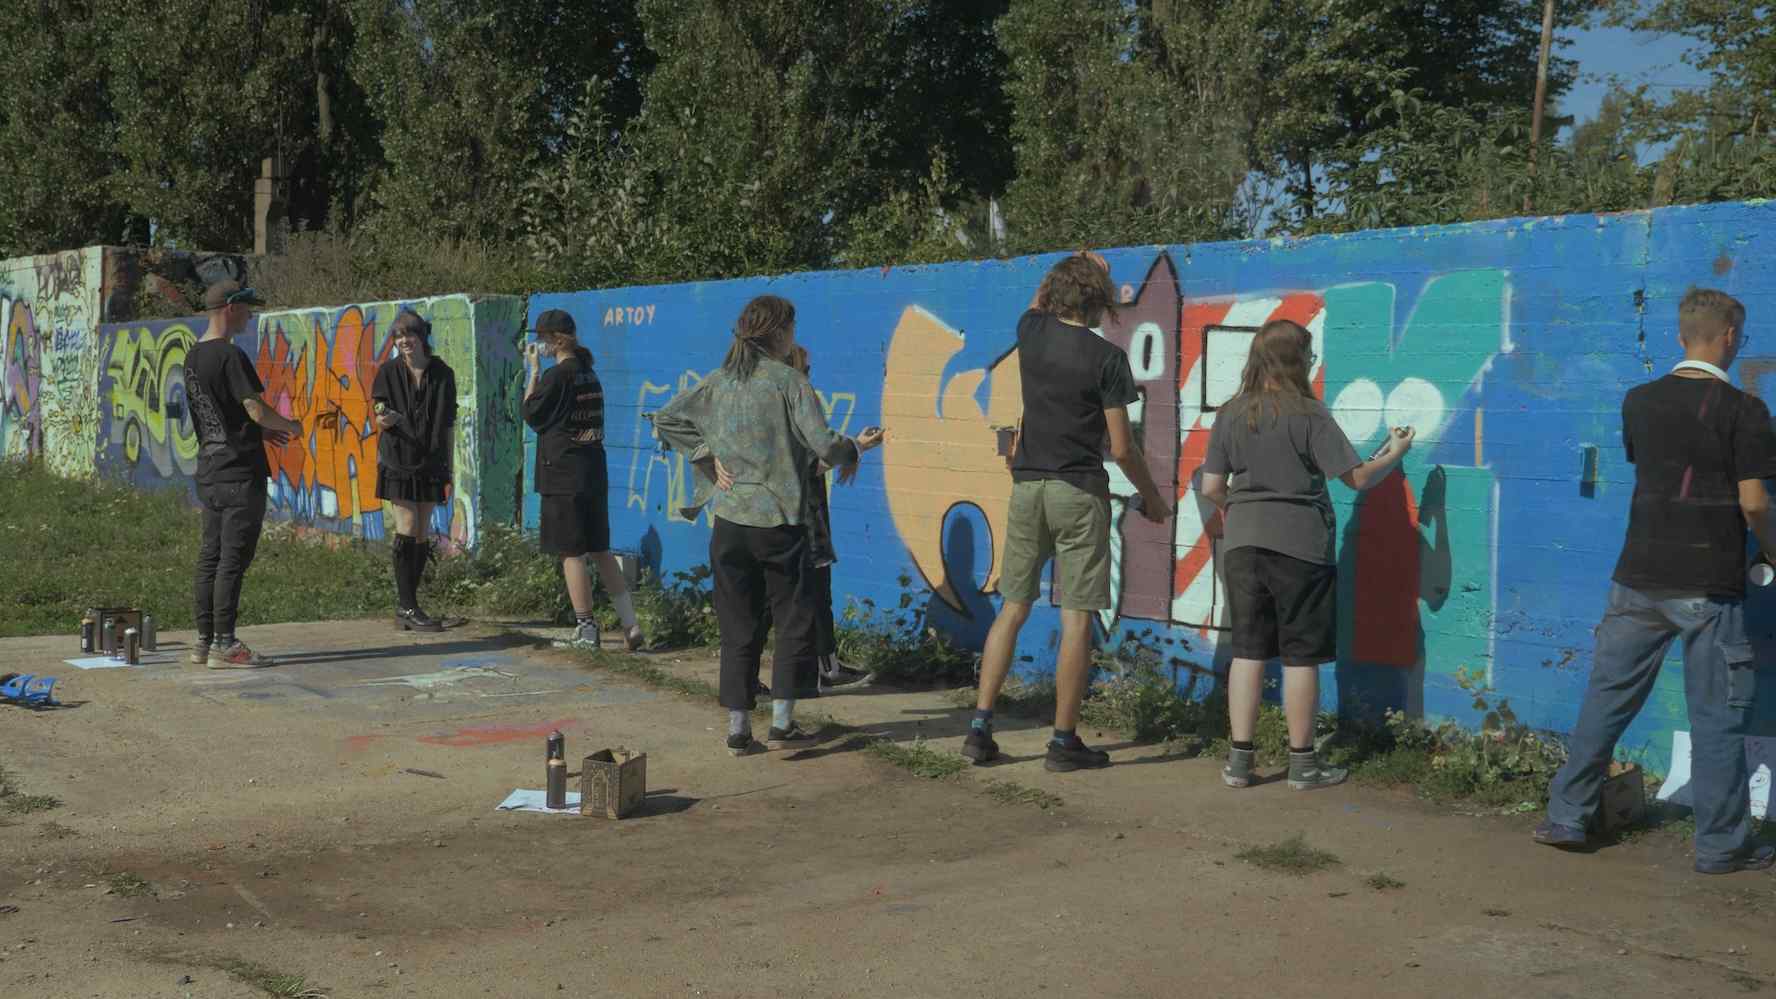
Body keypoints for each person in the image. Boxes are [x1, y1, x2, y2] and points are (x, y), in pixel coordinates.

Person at [1538, 288, 1776, 875]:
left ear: (1679, 336)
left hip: (1637, 578)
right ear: (1730, 337)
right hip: (1708, 585)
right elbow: (1754, 503)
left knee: (1607, 700)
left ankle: (1567, 816)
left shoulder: (1638, 401)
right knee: (1716, 718)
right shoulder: (1746, 411)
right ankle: (1721, 846)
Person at [649, 295, 886, 756]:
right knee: (794, 620)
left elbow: (666, 418)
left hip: (729, 523)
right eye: (792, 328)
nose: (795, 337)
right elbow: (824, 445)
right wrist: (856, 448)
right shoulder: (790, 382)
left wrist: (706, 455)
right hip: (779, 522)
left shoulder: (720, 380)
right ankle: (782, 723)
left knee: (738, 625)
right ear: (779, 332)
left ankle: (739, 730)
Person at [964, 251, 1172, 773]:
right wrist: (1151, 497)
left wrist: (1076, 262)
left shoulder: (1031, 334)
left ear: (1058, 292)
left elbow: (1038, 298)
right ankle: (1062, 742)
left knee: (1013, 608)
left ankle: (979, 728)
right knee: (1077, 616)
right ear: (1099, 301)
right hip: (1078, 492)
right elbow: (1122, 448)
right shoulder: (1107, 358)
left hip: (1027, 488)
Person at [1198, 319, 1413, 790]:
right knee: (1300, 658)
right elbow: (1357, 478)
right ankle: (1303, 765)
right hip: (1299, 547)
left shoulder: (1231, 413)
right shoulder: (1309, 414)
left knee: (1248, 652)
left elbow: (1211, 486)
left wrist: (1242, 509)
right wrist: (1395, 451)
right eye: (1310, 356)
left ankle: (1239, 763)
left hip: (1242, 545)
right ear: (1298, 361)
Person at [183, 281, 302, 669]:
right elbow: (253, 408)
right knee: (232, 559)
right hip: (239, 473)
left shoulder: (193, 357)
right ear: (230, 308)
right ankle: (226, 645)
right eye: (247, 308)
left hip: (211, 470)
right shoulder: (230, 355)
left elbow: (216, 415)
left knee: (211, 556)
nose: (250, 315)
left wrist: (258, 433)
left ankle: (204, 643)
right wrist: (289, 425)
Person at [522, 309, 646, 651]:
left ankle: (586, 629)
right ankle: (631, 625)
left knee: (572, 553)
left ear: (553, 339)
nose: (539, 345)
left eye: (541, 338)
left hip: (563, 475)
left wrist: (534, 372)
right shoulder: (588, 373)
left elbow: (530, 413)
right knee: (601, 550)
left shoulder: (557, 376)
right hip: (593, 471)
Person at [787, 344, 872, 694]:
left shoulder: (784, 406)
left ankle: (827, 664)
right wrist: (858, 447)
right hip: (804, 520)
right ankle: (823, 670)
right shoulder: (794, 407)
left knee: (815, 594)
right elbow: (808, 464)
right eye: (805, 369)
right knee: (814, 595)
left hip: (802, 516)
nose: (809, 375)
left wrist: (850, 451)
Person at [371, 310, 457, 632]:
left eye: (409, 334)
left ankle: (409, 604)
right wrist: (385, 419)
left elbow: (448, 424)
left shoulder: (443, 373)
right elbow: (378, 411)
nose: (404, 341)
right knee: (407, 526)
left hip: (432, 460)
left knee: (422, 531)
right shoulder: (388, 372)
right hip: (398, 459)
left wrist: (449, 468)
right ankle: (407, 606)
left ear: (422, 336)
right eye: (398, 336)